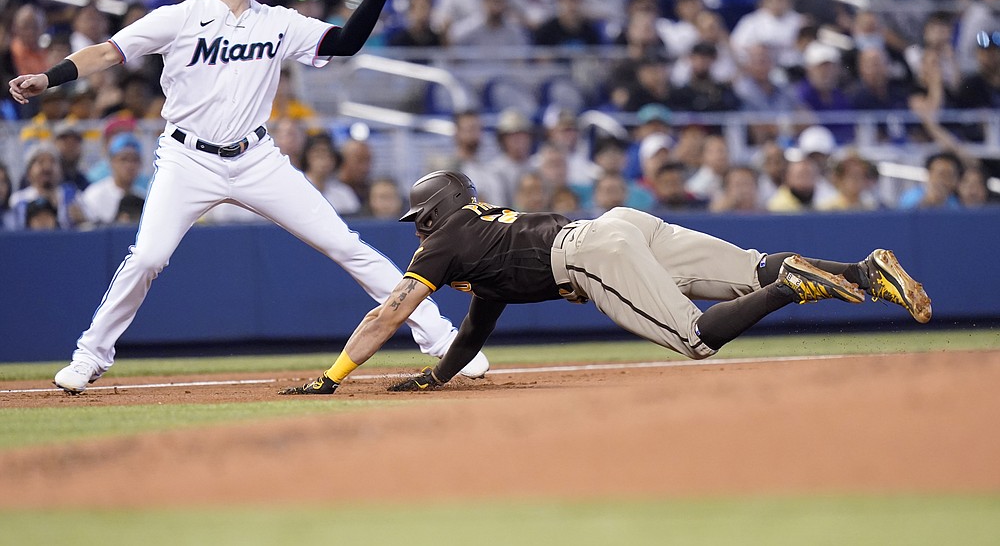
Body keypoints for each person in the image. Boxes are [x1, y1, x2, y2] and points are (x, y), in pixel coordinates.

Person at [9, 0, 488, 394]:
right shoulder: (178, 17)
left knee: (343, 244)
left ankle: (444, 339)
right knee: (148, 256)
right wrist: (47, 79)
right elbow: (108, 53)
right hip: (187, 159)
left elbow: (345, 42)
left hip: (257, 158)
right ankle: (89, 357)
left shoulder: (277, 21)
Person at [281, 170, 932, 395]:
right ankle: (866, 274)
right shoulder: (484, 233)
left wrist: (333, 374)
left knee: (697, 340)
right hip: (620, 225)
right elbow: (483, 316)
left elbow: (389, 312)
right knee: (750, 268)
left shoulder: (448, 240)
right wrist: (441, 374)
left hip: (591, 253)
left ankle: (794, 286)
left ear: (434, 214)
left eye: (419, 220)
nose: (417, 231)